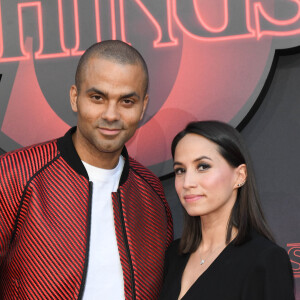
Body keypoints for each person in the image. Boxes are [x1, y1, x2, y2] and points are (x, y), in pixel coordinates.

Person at [0, 40, 173, 300]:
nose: (111, 114)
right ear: (74, 97)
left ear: (143, 106)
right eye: (97, 97)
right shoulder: (17, 173)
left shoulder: (151, 193)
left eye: (127, 101)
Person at [159, 121, 294, 300]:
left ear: (240, 175)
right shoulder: (174, 255)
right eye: (180, 170)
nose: (187, 182)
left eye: (203, 166)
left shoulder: (265, 260)